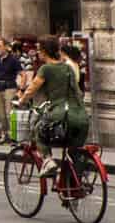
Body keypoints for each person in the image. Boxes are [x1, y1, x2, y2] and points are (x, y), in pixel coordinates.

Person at [16, 36, 89, 181]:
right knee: (73, 151)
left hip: (61, 114)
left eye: (39, 50)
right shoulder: (67, 67)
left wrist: (21, 100)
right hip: (81, 116)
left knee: (38, 128)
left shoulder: (46, 68)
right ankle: (75, 185)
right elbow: (78, 92)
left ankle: (48, 161)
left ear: (44, 51)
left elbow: (32, 88)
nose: (38, 53)